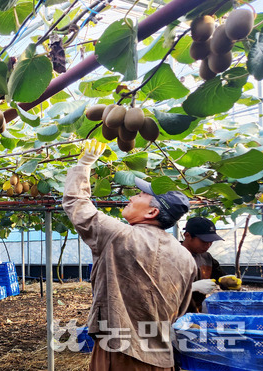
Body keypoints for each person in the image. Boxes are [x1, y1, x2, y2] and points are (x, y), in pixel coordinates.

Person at [63, 140, 197, 371]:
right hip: (160, 356)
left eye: (140, 195)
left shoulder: (120, 235)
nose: (132, 197)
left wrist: (84, 164)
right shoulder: (185, 257)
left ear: (152, 211)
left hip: (119, 352)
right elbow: (181, 310)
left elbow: (77, 203)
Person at [181, 217, 241, 313]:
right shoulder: (172, 256)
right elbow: (160, 289)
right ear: (188, 236)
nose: (208, 245)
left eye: (211, 241)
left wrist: (226, 281)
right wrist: (191, 287)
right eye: (204, 241)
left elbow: (219, 276)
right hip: (175, 314)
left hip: (197, 312)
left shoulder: (206, 257)